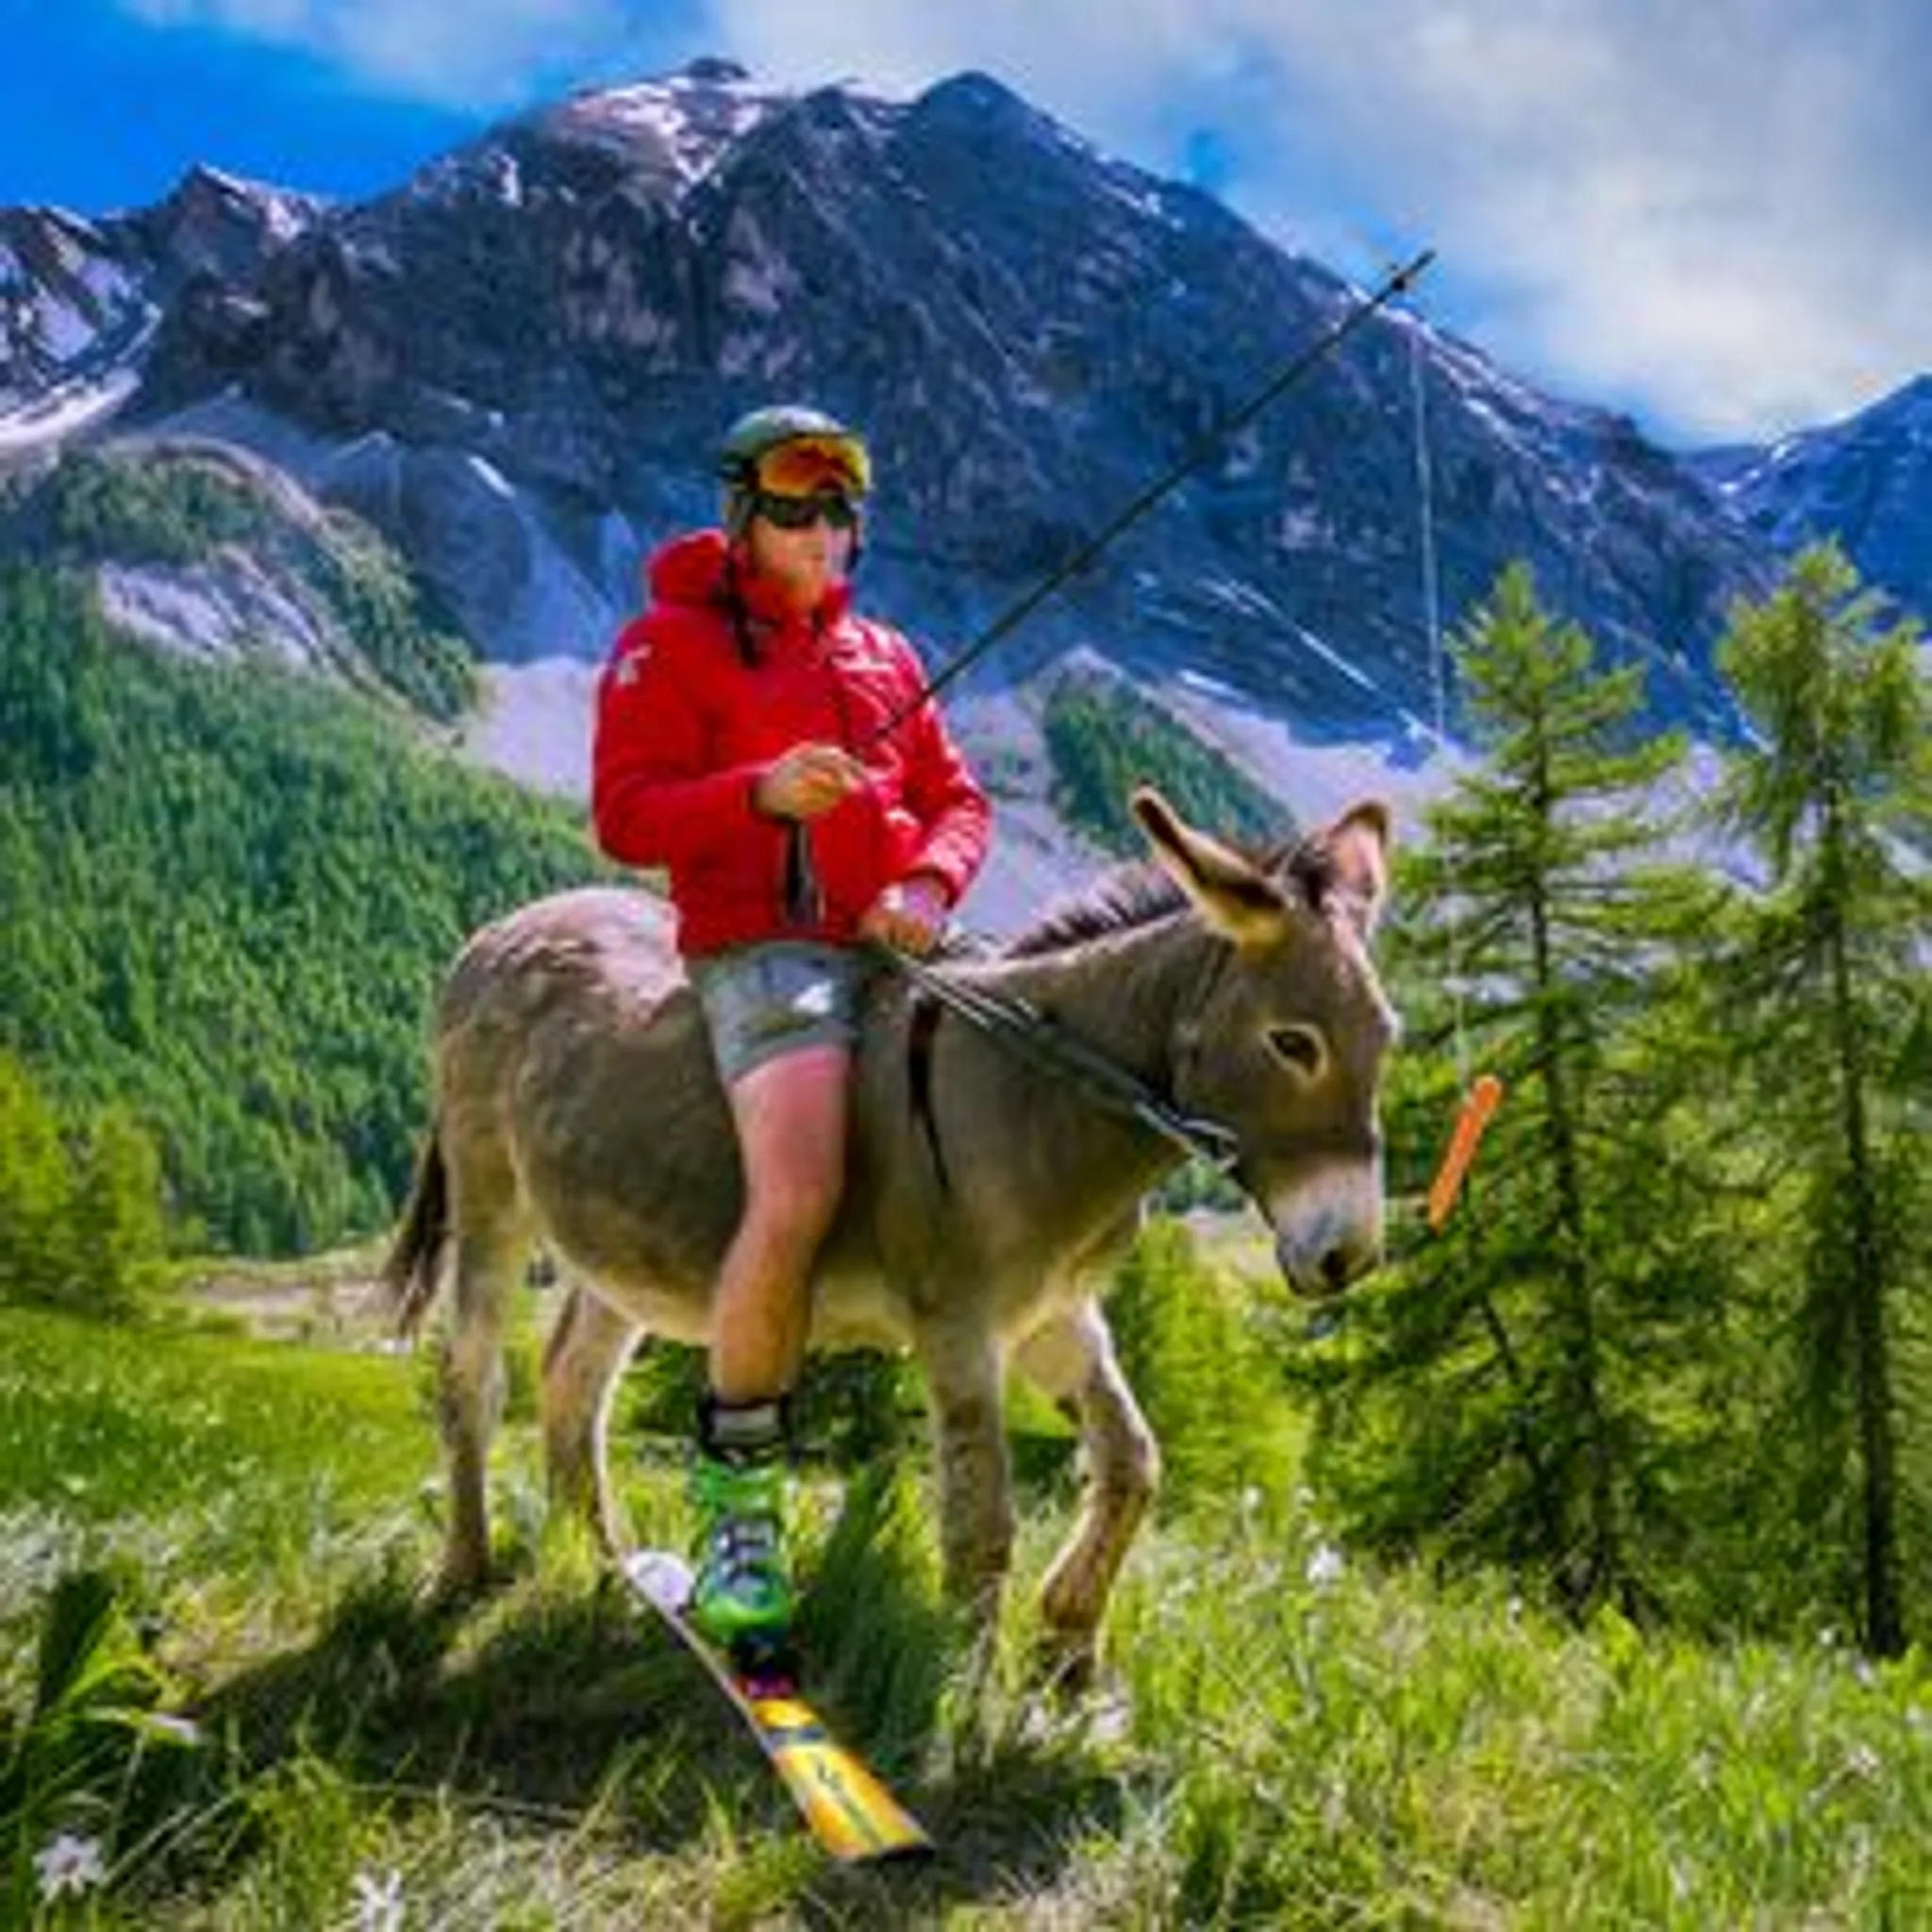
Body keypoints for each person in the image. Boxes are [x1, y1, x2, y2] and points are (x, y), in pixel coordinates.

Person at [591, 404, 991, 1658]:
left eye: (839, 507)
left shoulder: (886, 652)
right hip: (760, 956)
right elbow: (627, 815)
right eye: (793, 504)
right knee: (802, 1183)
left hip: (897, 950)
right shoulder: (667, 648)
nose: (822, 527)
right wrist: (756, 795)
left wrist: (929, 886)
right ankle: (739, 1513)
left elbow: (956, 798)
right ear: (741, 517)